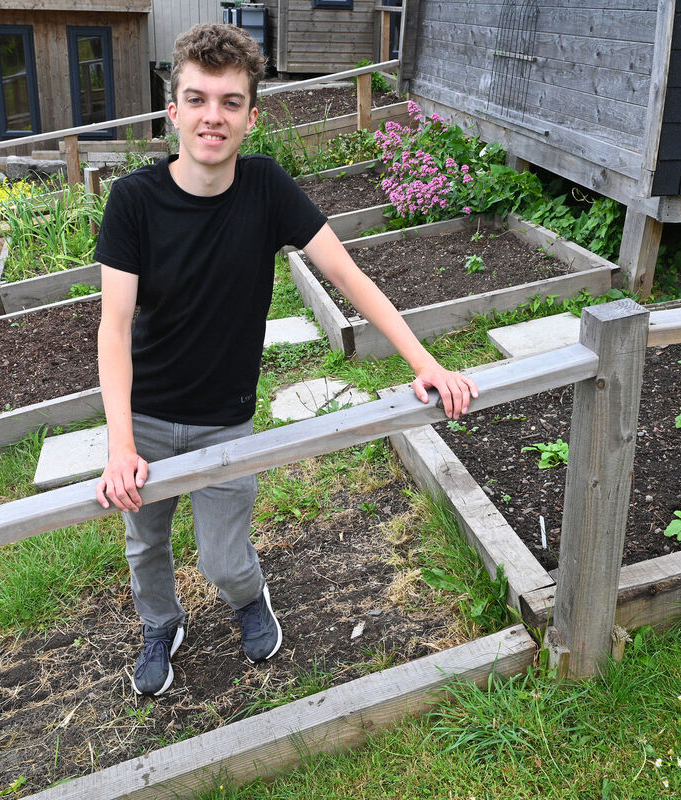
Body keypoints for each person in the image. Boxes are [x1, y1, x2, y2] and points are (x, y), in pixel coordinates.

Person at [93, 23, 477, 696]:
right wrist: (120, 443)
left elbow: (349, 276)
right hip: (147, 418)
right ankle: (161, 623)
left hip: (224, 419)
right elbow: (114, 325)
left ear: (250, 115)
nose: (213, 115)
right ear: (173, 110)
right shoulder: (134, 202)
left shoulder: (266, 188)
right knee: (144, 545)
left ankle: (248, 599)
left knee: (223, 557)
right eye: (199, 98)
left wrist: (425, 361)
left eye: (230, 101)